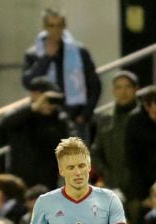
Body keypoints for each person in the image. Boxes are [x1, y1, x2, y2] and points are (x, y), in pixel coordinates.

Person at [21, 8, 101, 141]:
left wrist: (85, 115)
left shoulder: (79, 52)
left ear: (64, 27)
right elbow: (28, 83)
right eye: (51, 26)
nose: (55, 30)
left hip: (75, 117)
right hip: (44, 118)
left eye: (59, 25)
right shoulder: (33, 54)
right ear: (45, 27)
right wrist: (46, 58)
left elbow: (94, 84)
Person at [2, 77, 76, 190]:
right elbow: (7, 123)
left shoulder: (59, 119)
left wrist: (52, 115)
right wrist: (34, 108)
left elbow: (70, 142)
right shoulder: (23, 114)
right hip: (21, 178)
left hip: (46, 178)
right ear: (35, 95)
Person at [91, 70, 139, 198]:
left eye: (128, 87)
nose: (123, 92)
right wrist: (106, 174)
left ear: (136, 89)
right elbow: (95, 153)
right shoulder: (106, 120)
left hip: (140, 188)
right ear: (113, 91)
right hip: (113, 188)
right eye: (119, 87)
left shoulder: (144, 118)